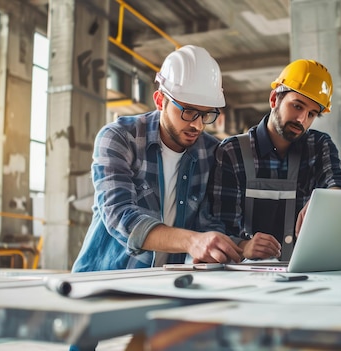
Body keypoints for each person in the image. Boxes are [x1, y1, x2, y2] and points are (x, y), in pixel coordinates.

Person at [72, 45, 243, 272]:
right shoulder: (119, 138)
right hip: (103, 279)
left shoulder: (210, 152)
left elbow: (208, 224)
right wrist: (191, 241)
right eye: (189, 111)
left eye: (206, 114)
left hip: (162, 284)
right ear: (160, 100)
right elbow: (121, 216)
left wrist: (240, 246)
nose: (197, 125)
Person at [208, 59, 341, 262]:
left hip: (305, 272)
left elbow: (338, 182)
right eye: (297, 106)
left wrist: (325, 200)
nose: (302, 119)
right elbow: (219, 225)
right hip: (247, 278)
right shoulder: (232, 152)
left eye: (311, 114)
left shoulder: (319, 146)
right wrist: (244, 247)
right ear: (274, 99)